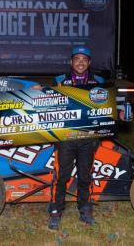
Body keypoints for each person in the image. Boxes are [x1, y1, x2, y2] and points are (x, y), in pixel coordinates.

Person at [48, 46, 104, 230]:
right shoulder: (59, 81)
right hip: (65, 138)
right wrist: (38, 91)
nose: (80, 62)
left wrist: (120, 113)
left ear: (89, 63)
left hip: (88, 138)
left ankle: (85, 209)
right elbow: (47, 102)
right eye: (77, 59)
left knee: (85, 176)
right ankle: (56, 210)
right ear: (71, 62)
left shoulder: (99, 81)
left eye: (84, 59)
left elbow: (107, 106)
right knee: (61, 176)